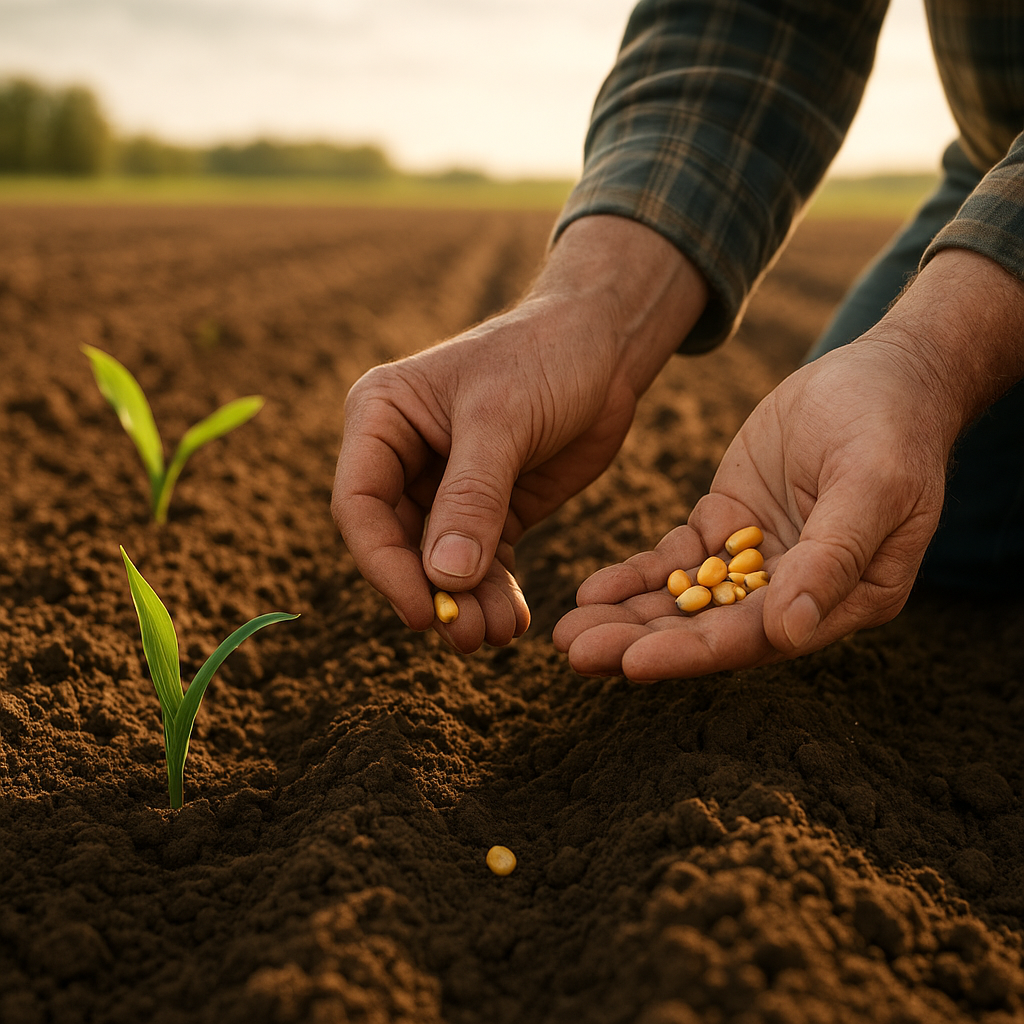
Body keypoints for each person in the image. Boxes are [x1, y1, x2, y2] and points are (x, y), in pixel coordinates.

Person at [332, 0, 1024, 681]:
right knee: (858, 511)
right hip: (1000, 157)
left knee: (897, 507)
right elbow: (752, 19)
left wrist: (929, 361)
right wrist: (593, 306)